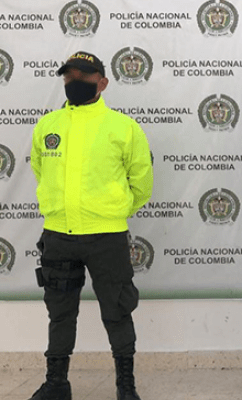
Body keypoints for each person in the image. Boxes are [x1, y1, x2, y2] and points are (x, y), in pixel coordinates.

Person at [29, 51, 153, 400]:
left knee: (118, 310)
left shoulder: (123, 128)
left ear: (102, 82)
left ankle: (126, 387)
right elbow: (41, 171)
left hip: (106, 238)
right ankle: (56, 384)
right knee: (60, 313)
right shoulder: (48, 126)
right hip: (58, 235)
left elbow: (142, 182)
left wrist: (113, 211)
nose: (75, 82)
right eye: (69, 76)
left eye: (83, 76)